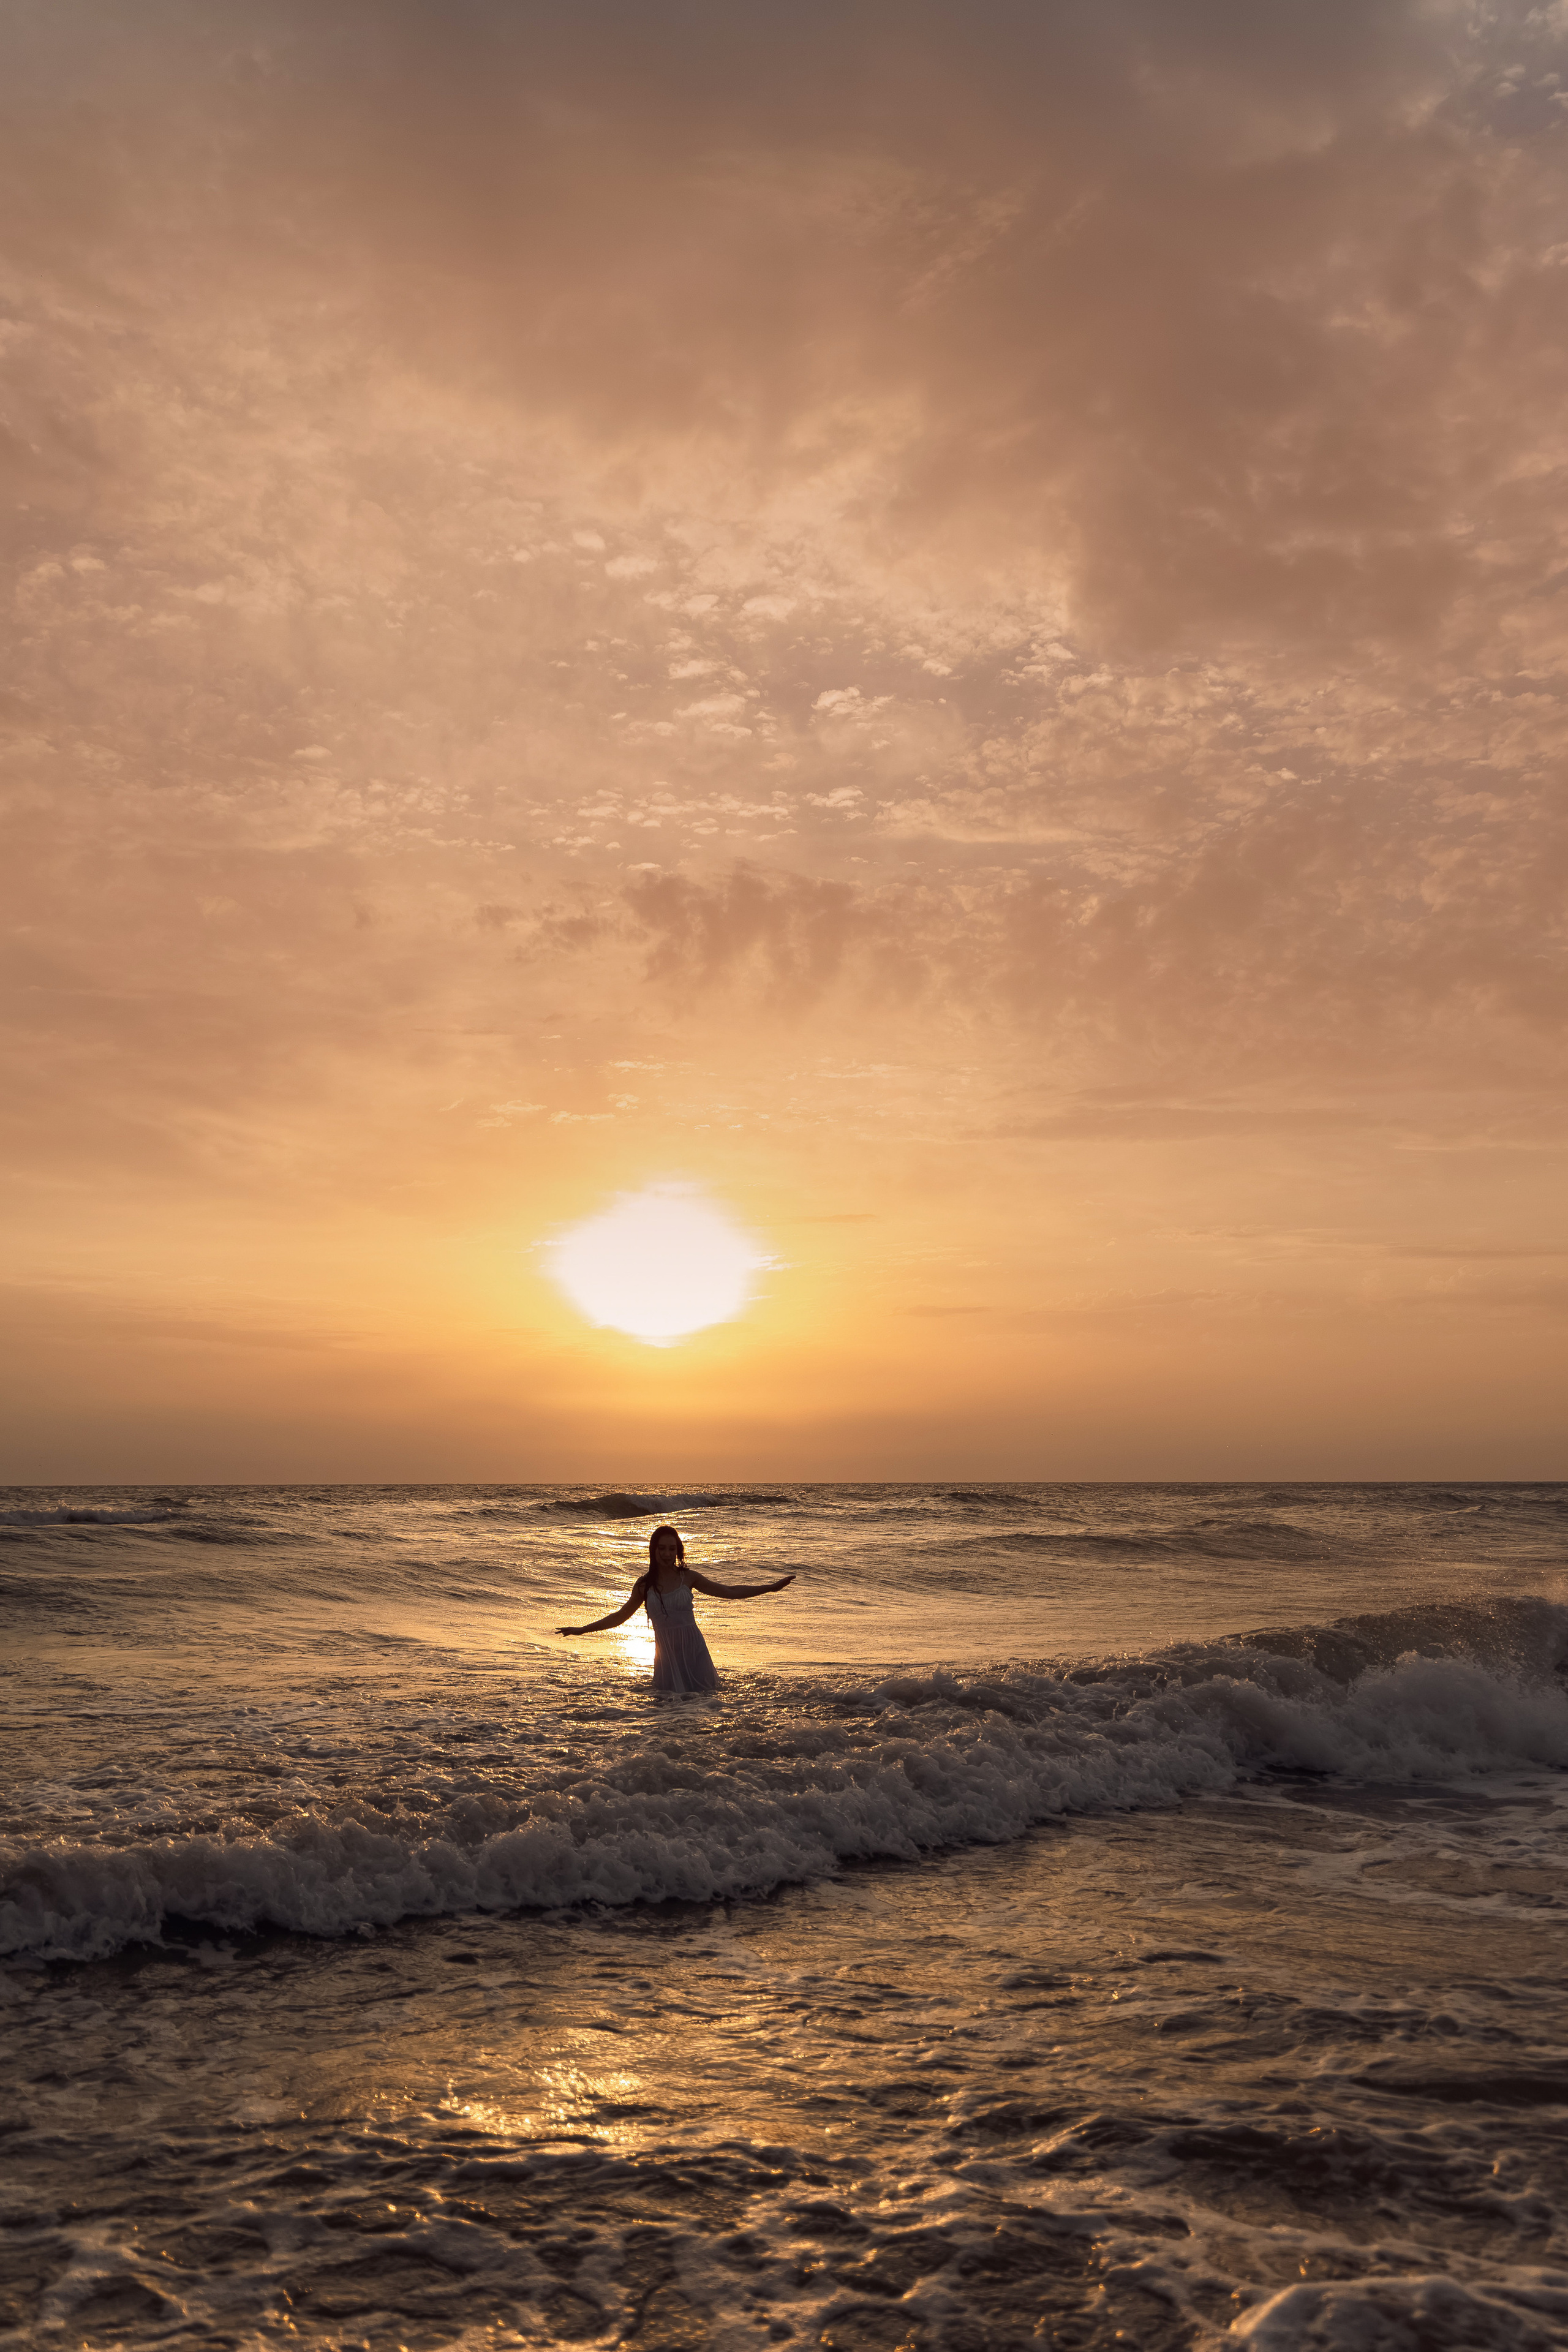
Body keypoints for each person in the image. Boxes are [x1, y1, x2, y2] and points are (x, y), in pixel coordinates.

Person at [557, 1524, 794, 1694]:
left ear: (678, 1550)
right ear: (654, 1550)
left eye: (672, 1549)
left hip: (695, 1650)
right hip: (666, 1656)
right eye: (662, 1549)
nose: (667, 1554)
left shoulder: (689, 1578)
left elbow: (729, 1591)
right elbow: (620, 1616)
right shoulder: (644, 1585)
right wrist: (581, 1630)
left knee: (707, 1704)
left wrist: (769, 1588)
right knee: (669, 1711)